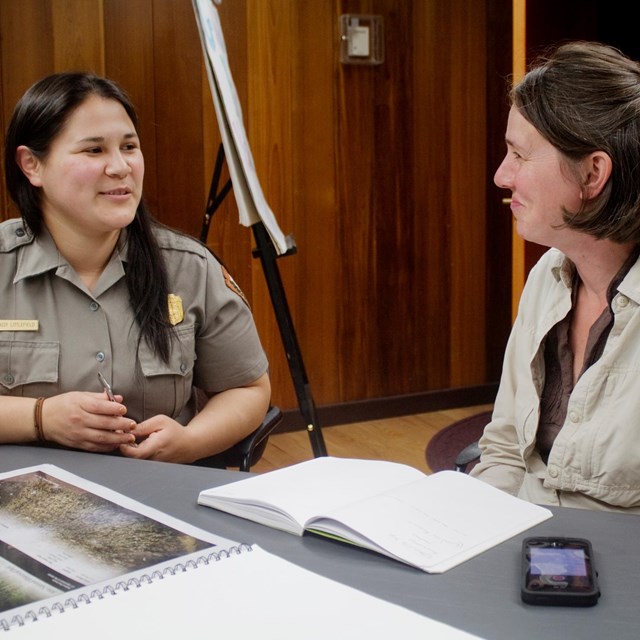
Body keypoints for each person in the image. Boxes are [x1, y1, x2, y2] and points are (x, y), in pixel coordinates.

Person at [0, 71, 271, 464]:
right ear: (32, 165)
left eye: (129, 147)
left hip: (159, 496)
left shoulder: (188, 268)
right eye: (94, 150)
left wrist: (190, 441)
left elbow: (248, 389)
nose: (120, 166)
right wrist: (41, 418)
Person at [470, 41, 640, 512]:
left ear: (592, 175)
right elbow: (504, 449)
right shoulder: (549, 274)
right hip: (526, 554)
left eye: (520, 156)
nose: (502, 176)